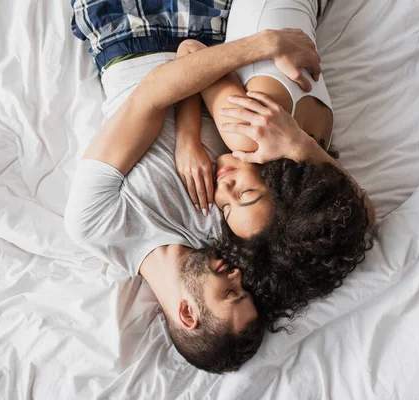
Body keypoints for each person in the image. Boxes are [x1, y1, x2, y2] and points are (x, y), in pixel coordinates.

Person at [66, 0, 323, 372]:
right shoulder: (230, 229)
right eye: (243, 289)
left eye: (230, 294)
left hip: (132, 31)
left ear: (187, 313)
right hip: (214, 33)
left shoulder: (97, 225)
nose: (237, 277)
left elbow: (151, 96)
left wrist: (267, 44)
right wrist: (187, 137)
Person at [171, 0, 376, 330]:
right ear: (279, 185)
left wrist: (301, 144)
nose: (223, 186)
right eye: (247, 194)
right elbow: (190, 51)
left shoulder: (317, 146)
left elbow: (364, 215)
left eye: (224, 207)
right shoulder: (248, 138)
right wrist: (187, 140)